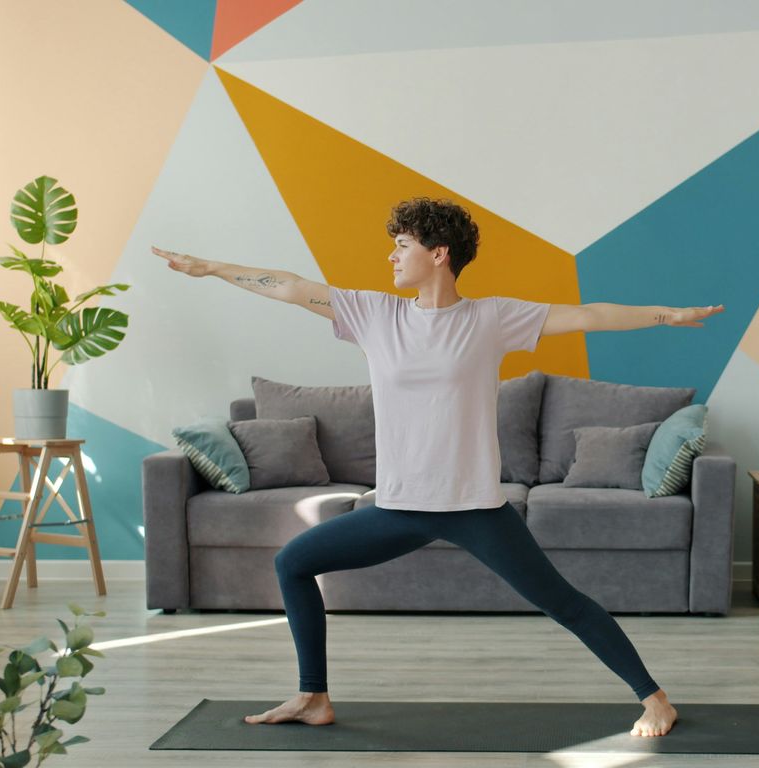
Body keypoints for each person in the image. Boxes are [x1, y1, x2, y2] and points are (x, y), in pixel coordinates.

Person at [151, 197, 723, 738]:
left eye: (402, 244)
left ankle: (655, 699)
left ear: (438, 253)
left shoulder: (491, 318)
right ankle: (313, 697)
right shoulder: (373, 314)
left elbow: (589, 314)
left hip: (475, 509)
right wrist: (211, 268)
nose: (392, 256)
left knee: (562, 601)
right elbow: (291, 287)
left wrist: (666, 315)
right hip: (399, 507)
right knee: (294, 563)